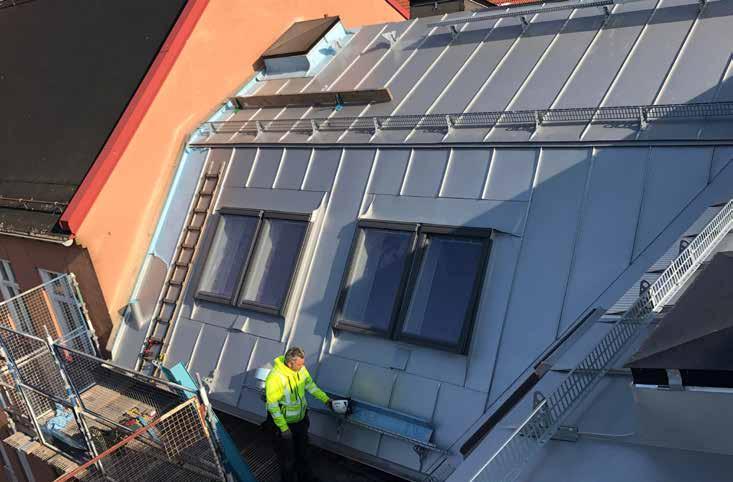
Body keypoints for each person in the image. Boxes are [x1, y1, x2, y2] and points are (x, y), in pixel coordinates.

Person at [264, 346, 333, 482]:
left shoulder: (301, 370)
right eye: (300, 364)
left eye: (303, 363)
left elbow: (311, 386)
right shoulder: (275, 377)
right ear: (290, 364)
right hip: (285, 425)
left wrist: (326, 400)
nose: (303, 366)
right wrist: (284, 428)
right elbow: (273, 406)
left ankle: (305, 478)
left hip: (301, 421)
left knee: (303, 453)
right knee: (287, 459)